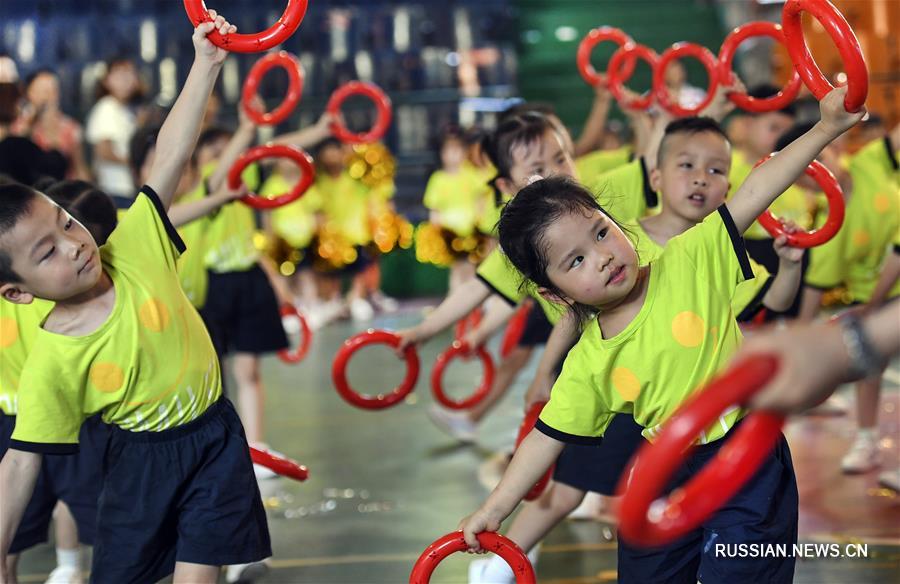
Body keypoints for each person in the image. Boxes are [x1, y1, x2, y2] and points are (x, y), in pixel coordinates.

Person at [457, 86, 863, 584]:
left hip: (746, 458)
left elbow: (760, 188)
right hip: (663, 469)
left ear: (618, 224)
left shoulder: (691, 258)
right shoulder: (589, 362)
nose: (602, 255)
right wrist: (495, 509)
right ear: (557, 295)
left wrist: (826, 128)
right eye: (576, 260)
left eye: (602, 233)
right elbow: (545, 439)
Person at [0, 14, 271, 583]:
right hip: (140, 466)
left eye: (67, 225)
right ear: (18, 293)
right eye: (46, 253)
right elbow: (21, 463)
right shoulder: (53, 358)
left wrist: (207, 63)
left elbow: (170, 153)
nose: (73, 247)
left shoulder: (137, 241)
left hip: (215, 438)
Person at [14, 69, 91, 181]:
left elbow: (80, 168)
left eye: (53, 91)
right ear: (29, 93)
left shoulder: (71, 128)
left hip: (59, 191)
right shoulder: (16, 125)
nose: (47, 97)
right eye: (42, 91)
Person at [85, 57, 144, 201]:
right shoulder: (106, 107)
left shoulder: (124, 110)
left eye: (130, 73)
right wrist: (137, 163)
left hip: (126, 188)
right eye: (119, 74)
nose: (125, 79)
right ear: (106, 80)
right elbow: (104, 151)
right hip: (114, 190)